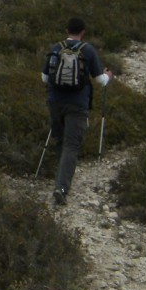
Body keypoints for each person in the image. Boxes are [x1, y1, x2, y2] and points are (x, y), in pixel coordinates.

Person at [41, 18, 113, 206]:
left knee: (60, 139)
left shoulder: (56, 47)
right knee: (71, 146)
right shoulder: (88, 50)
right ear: (83, 32)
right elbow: (101, 81)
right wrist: (109, 75)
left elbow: (44, 77)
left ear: (67, 29)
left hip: (55, 102)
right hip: (78, 105)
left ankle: (59, 177)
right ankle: (61, 188)